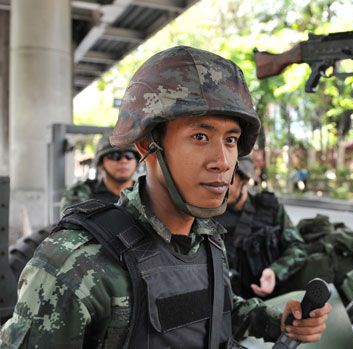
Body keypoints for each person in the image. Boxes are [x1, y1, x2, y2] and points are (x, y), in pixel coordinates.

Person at [0, 46, 331, 348]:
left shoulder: (206, 240)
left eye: (230, 139)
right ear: (147, 145)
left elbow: (215, 308)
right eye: (200, 136)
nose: (224, 161)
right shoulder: (75, 265)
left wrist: (273, 320)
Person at [214, 155, 307, 299]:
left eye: (228, 179)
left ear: (244, 181)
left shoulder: (270, 208)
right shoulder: (208, 215)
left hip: (268, 300)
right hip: (230, 302)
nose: (220, 185)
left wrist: (275, 271)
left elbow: (297, 248)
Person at [59, 135, 139, 212]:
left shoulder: (146, 193)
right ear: (101, 163)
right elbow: (73, 222)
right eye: (115, 155)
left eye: (129, 155)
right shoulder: (81, 192)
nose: (123, 161)